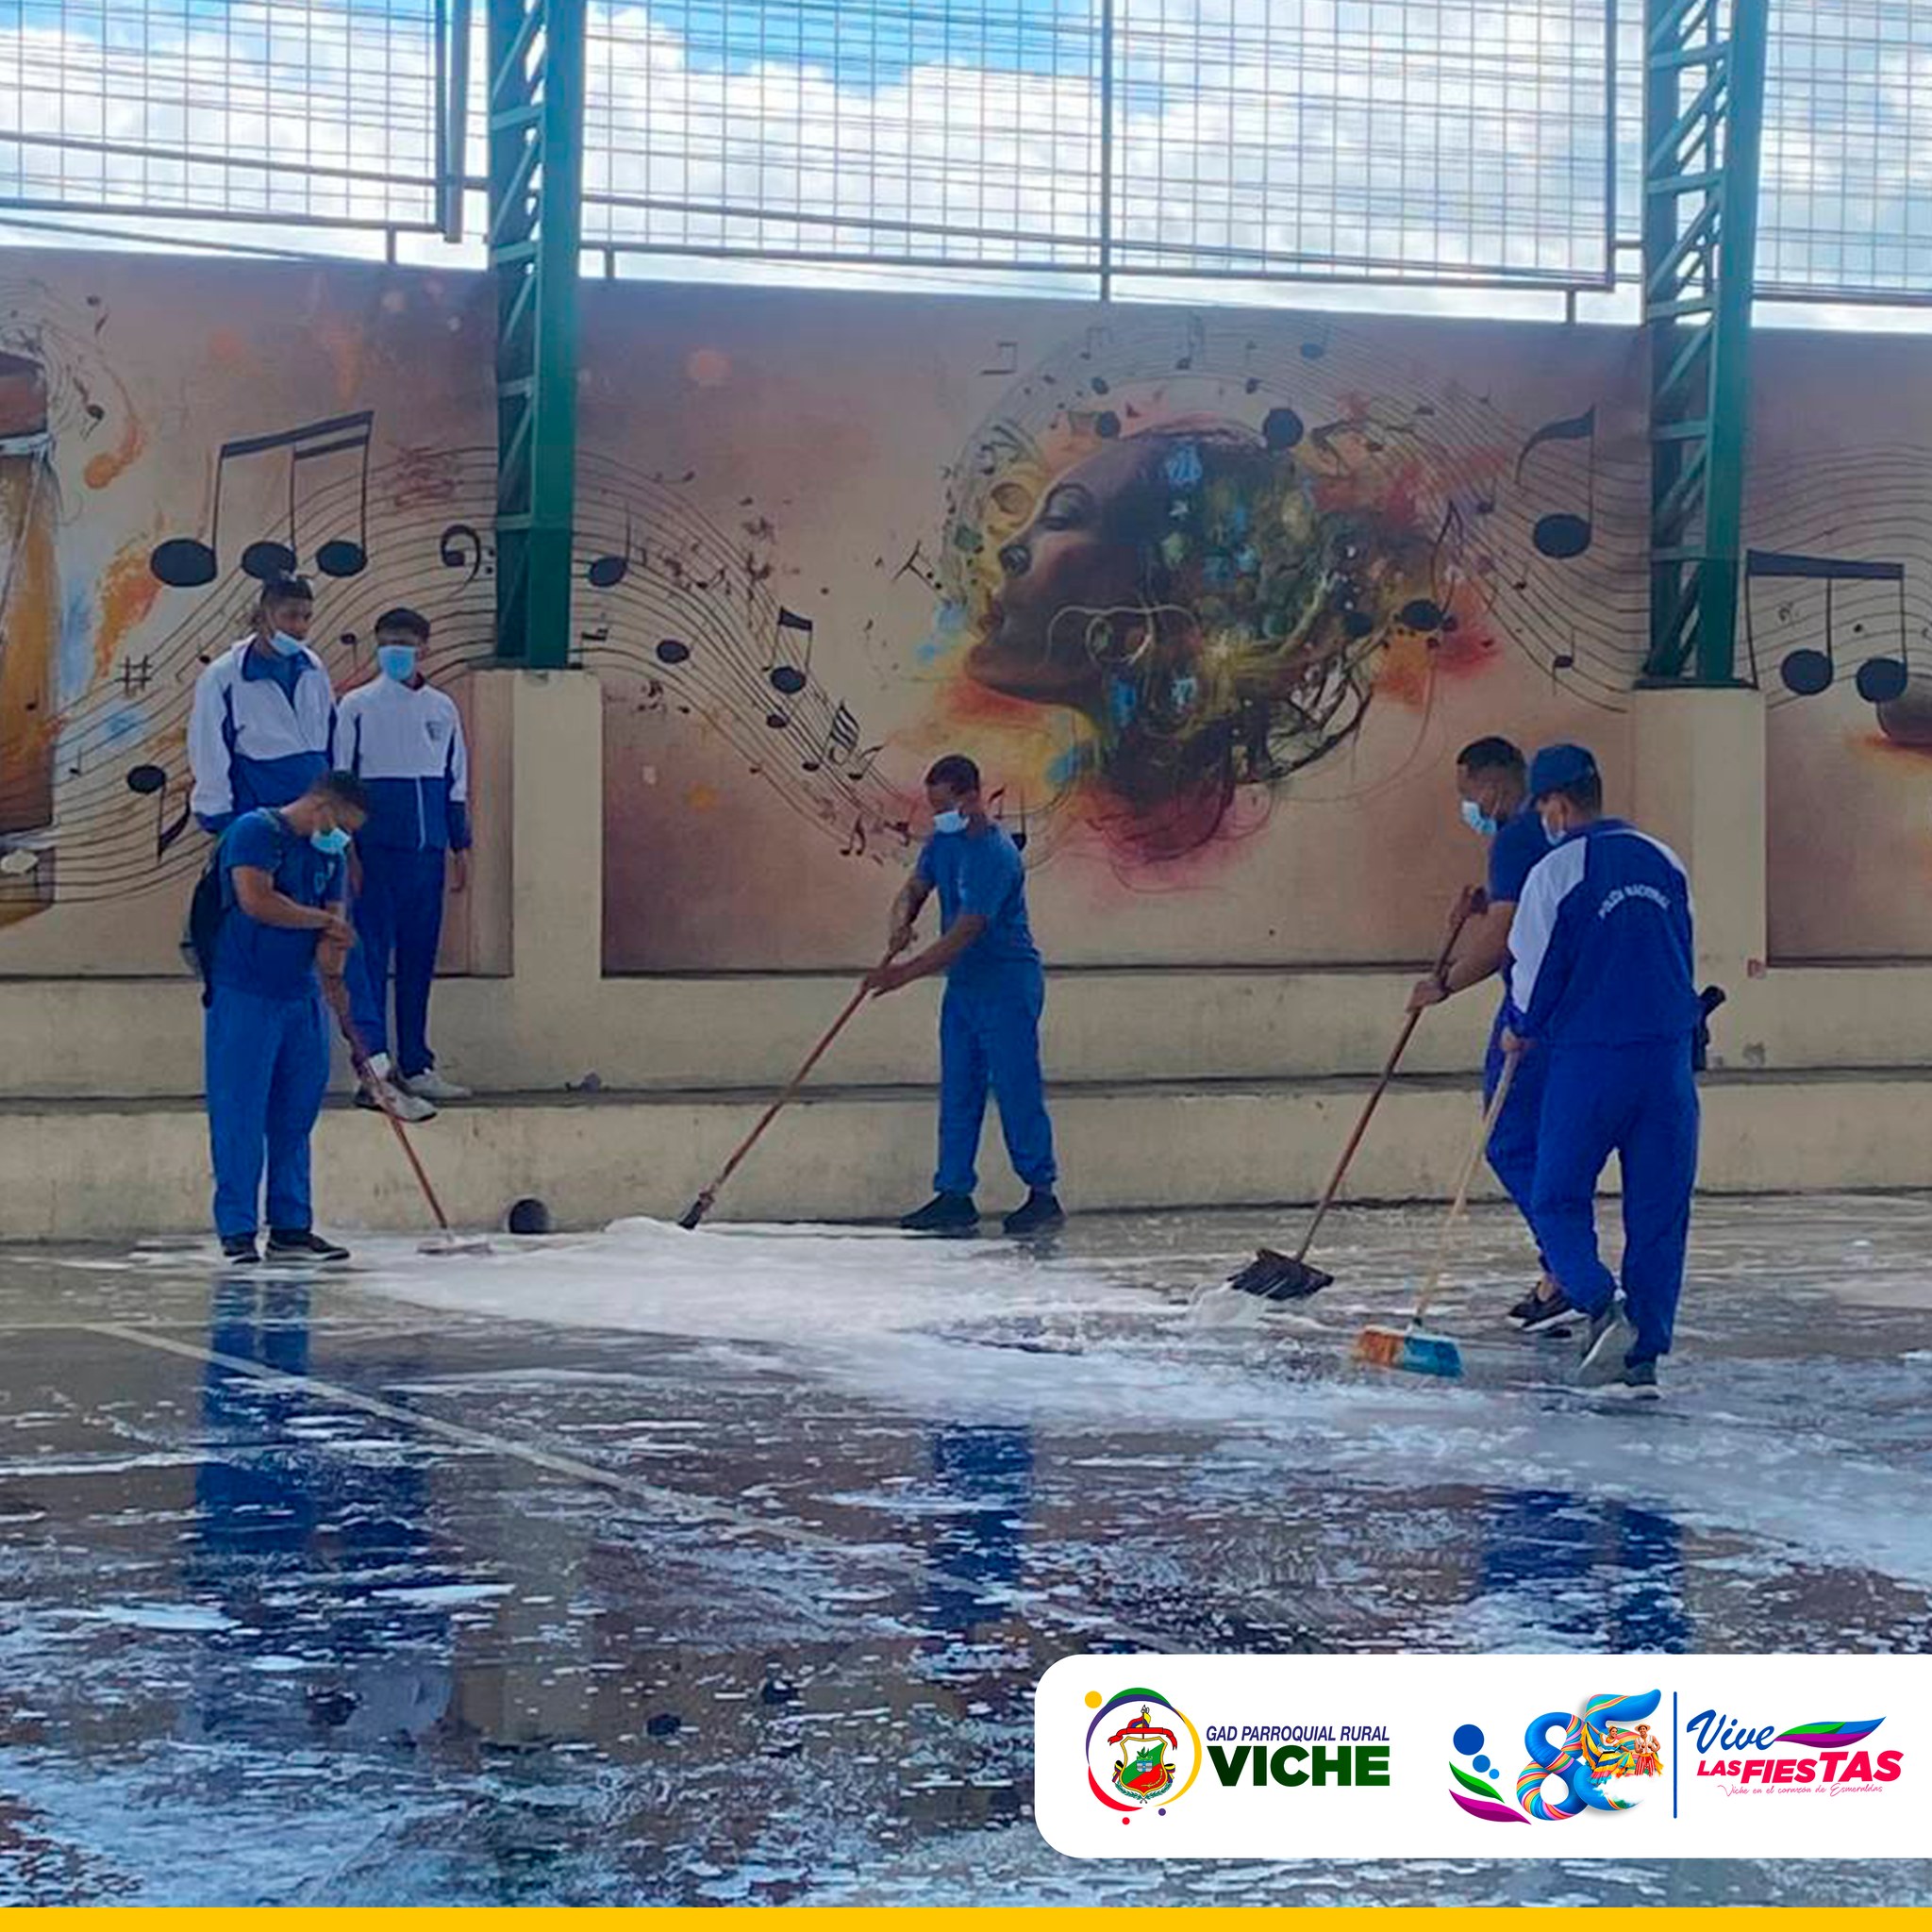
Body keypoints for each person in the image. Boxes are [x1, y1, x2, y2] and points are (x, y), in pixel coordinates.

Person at [187, 575, 429, 1123]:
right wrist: (223, 825)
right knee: (270, 939)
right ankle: (263, 1071)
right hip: (265, 821)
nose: (298, 627)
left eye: (305, 617)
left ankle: (374, 1070)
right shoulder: (224, 677)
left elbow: (328, 745)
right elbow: (209, 755)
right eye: (289, 615)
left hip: (321, 818)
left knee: (345, 938)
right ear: (264, 613)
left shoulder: (313, 668)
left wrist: (342, 830)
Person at [1505, 743, 1701, 1400]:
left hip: (1590, 1060)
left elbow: (1532, 973)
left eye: (1543, 807)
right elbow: (1683, 949)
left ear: (1557, 805)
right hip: (1667, 1061)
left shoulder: (1556, 871)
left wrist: (1520, 1027)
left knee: (1557, 1196)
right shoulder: (1663, 858)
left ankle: (1600, 1305)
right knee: (1659, 1211)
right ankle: (1642, 1356)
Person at [1408, 737, 1571, 1333]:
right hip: (1579, 1007)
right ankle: (1561, 1268)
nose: (1470, 807)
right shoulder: (1558, 836)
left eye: (1469, 793)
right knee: (1549, 1143)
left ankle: (1564, 1269)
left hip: (1532, 1010)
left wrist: (1444, 983)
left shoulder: (1516, 837)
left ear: (1493, 782)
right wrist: (1485, 909)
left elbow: (1506, 937)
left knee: (1509, 1141)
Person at [866, 755, 1064, 1237]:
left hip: (1007, 984)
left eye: (944, 806)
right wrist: (900, 922)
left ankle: (1041, 1193)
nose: (939, 816)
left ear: (972, 797)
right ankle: (954, 1193)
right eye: (933, 807)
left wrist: (904, 974)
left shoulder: (996, 854)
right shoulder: (944, 842)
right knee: (959, 1088)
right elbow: (915, 888)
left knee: (1016, 1088)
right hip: (965, 987)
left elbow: (967, 930)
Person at [202, 769, 373, 1266]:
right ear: (321, 806)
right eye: (343, 824)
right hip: (245, 992)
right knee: (240, 1111)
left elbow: (336, 922)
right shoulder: (255, 832)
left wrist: (335, 974)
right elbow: (257, 900)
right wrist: (323, 920)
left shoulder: (330, 853)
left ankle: (291, 1227)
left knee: (296, 1114)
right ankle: (237, 1230)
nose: (344, 838)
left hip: (301, 995)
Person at [334, 608, 473, 1106]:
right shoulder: (356, 706)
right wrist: (348, 850)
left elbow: (455, 781)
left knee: (418, 960)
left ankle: (417, 1063)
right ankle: (373, 1066)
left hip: (426, 854)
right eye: (388, 642)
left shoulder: (442, 708)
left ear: (424, 648)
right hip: (376, 855)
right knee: (369, 960)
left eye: (407, 643)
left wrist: (459, 844)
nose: (397, 651)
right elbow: (340, 780)